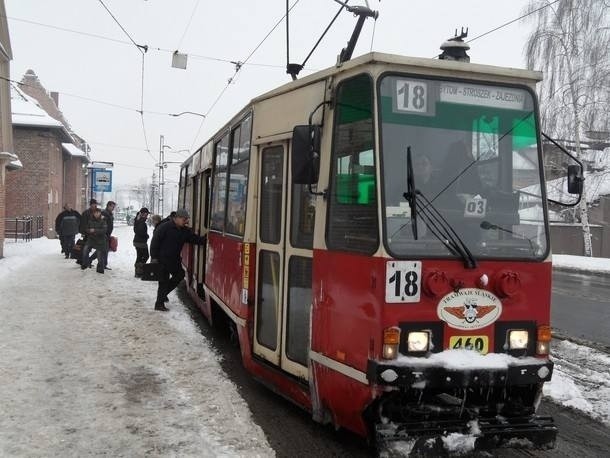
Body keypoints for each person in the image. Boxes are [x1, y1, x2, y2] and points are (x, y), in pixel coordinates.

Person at [150, 208, 205, 312]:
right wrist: (154, 257)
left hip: (174, 260)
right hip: (162, 259)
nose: (186, 222)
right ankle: (159, 304)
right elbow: (155, 242)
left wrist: (204, 240)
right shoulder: (164, 227)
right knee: (163, 281)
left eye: (186, 220)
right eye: (184, 219)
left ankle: (162, 295)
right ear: (177, 218)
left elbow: (193, 239)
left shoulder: (184, 230)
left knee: (180, 275)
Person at [80, 206, 108, 273]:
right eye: (95, 213)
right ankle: (85, 263)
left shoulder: (103, 220)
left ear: (100, 213)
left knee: (99, 255)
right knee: (85, 249)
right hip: (91, 239)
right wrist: (89, 231)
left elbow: (104, 230)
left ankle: (100, 269)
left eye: (98, 213)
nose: (96, 214)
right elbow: (86, 229)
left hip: (100, 240)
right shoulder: (90, 220)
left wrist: (94, 230)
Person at [132, 207, 150, 278]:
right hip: (141, 242)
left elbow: (137, 231)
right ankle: (139, 270)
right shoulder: (141, 221)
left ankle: (138, 272)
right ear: (142, 214)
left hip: (137, 241)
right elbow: (140, 232)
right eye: (146, 214)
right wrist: (146, 236)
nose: (147, 216)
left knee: (139, 256)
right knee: (145, 256)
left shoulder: (138, 220)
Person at [100, 201, 116, 269]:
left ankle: (104, 264)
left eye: (114, 207)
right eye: (112, 206)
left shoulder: (109, 213)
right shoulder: (104, 213)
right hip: (104, 234)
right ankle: (102, 264)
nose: (113, 208)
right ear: (108, 206)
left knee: (104, 249)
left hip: (107, 234)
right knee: (103, 250)